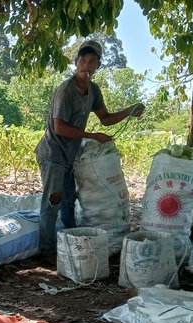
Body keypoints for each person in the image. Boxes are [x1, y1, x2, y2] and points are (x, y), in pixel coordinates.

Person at [34, 40, 145, 261]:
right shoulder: (65, 91)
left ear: (98, 65)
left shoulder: (93, 90)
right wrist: (93, 136)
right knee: (53, 201)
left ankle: (71, 240)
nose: (87, 65)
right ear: (76, 63)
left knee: (68, 200)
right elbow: (59, 127)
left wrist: (129, 111)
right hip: (53, 154)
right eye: (83, 60)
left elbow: (105, 119)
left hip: (69, 156)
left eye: (92, 61)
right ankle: (46, 251)